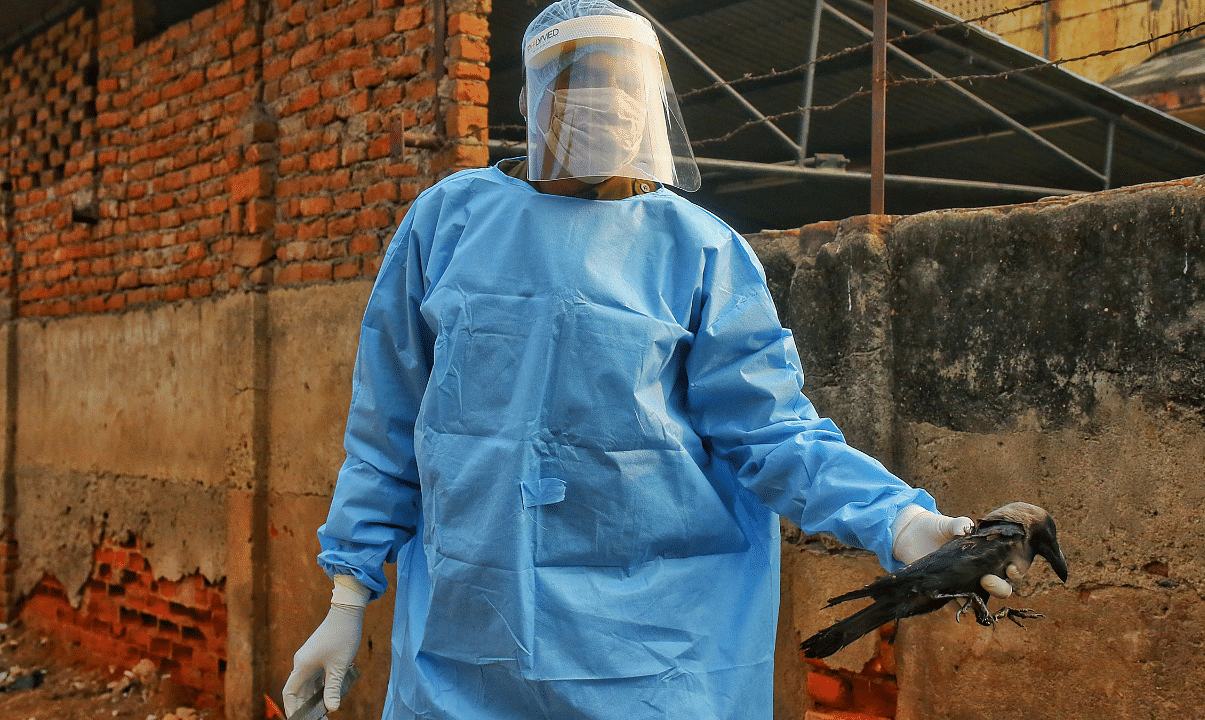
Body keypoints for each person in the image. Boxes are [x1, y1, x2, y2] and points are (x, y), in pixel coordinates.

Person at [283, 1, 1006, 718]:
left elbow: (772, 430)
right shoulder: (449, 224)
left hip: (657, 655)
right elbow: (389, 423)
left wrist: (902, 523)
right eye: (582, 83)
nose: (606, 105)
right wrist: (348, 594)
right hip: (467, 646)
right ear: (537, 102)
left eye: (626, 86)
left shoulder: (701, 250)